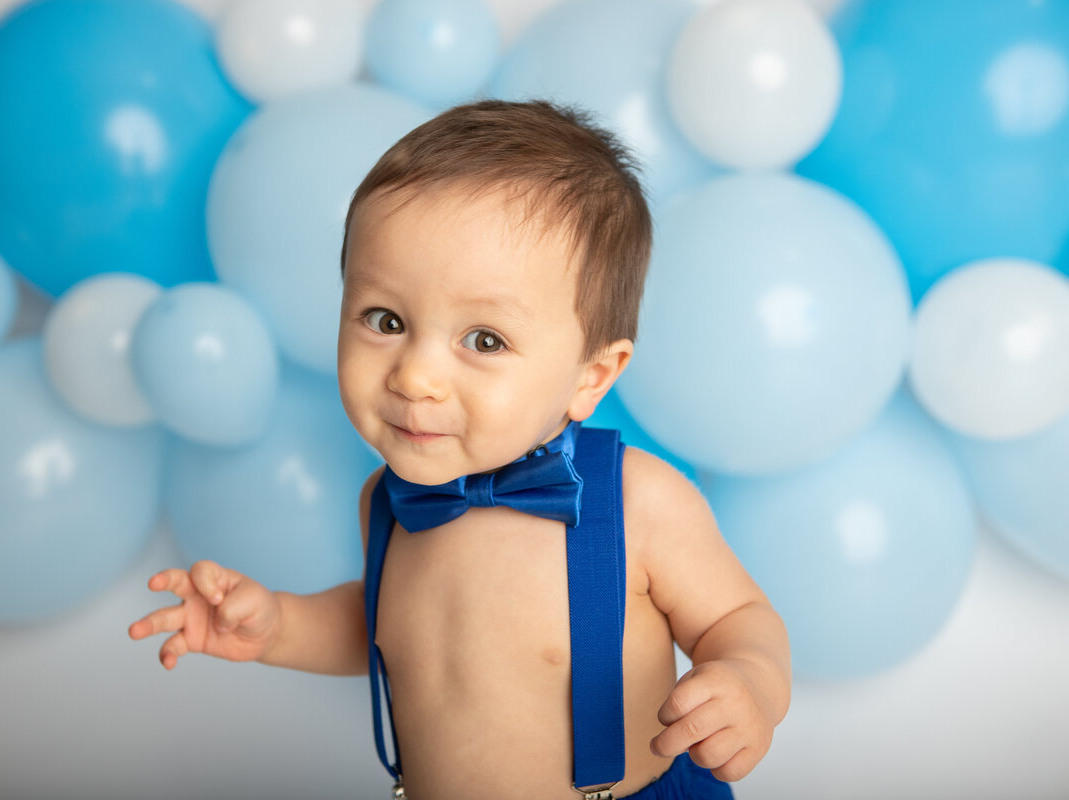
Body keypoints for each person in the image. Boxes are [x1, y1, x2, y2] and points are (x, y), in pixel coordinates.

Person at [129, 100, 790, 800]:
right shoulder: (388, 501)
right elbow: (392, 629)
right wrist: (277, 627)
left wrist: (750, 680)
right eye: (385, 320)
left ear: (589, 377)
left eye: (484, 340)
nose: (414, 375)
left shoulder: (635, 500)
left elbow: (737, 619)